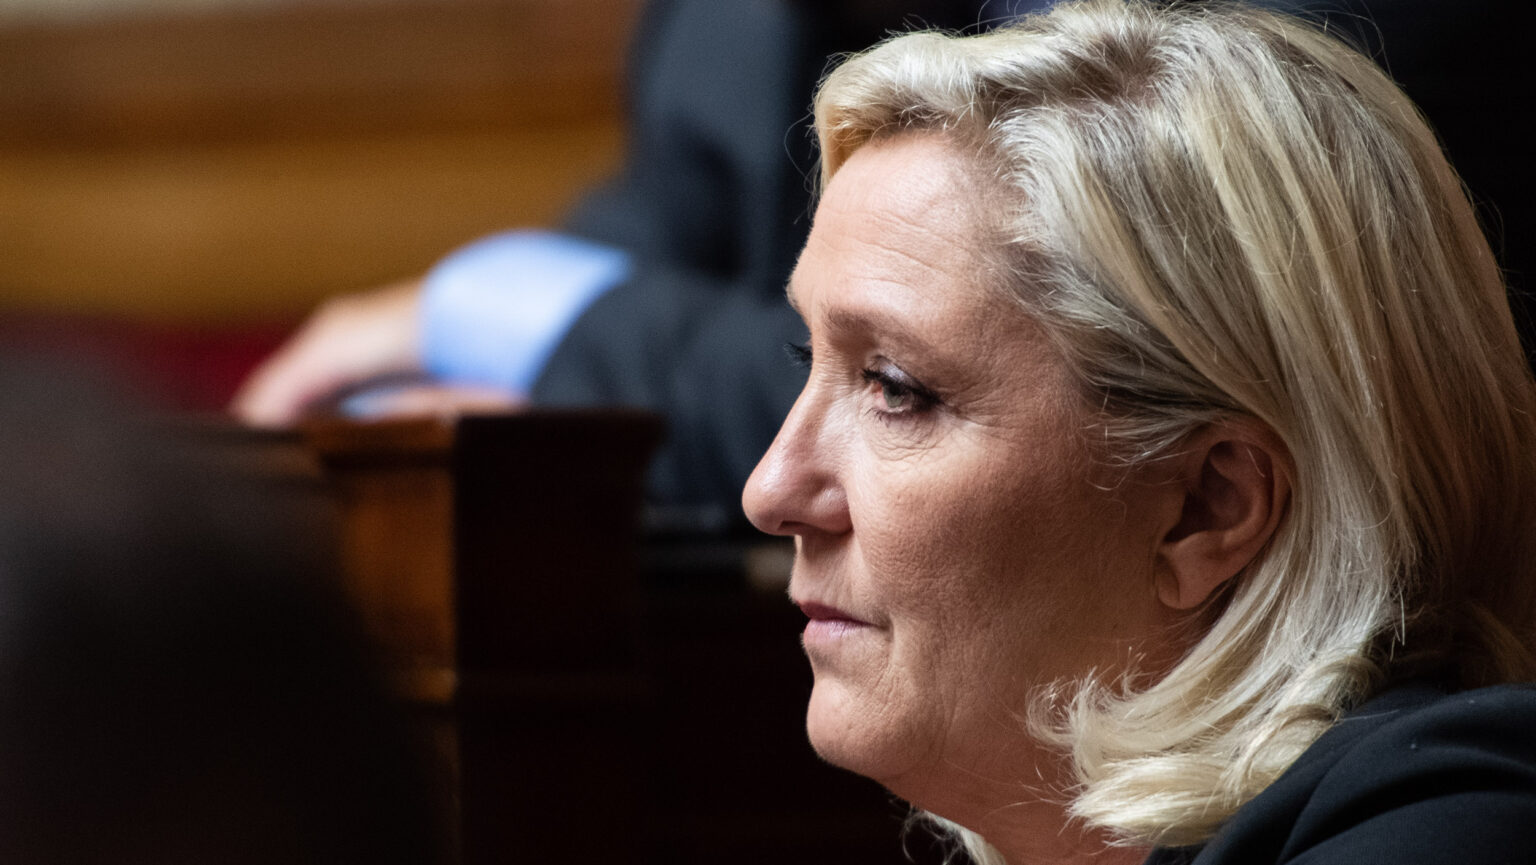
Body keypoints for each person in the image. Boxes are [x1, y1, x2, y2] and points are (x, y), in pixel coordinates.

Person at [740, 1, 1536, 863]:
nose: (771, 490)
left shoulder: (1451, 825)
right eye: (807, 355)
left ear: (1207, 506)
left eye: (896, 388)